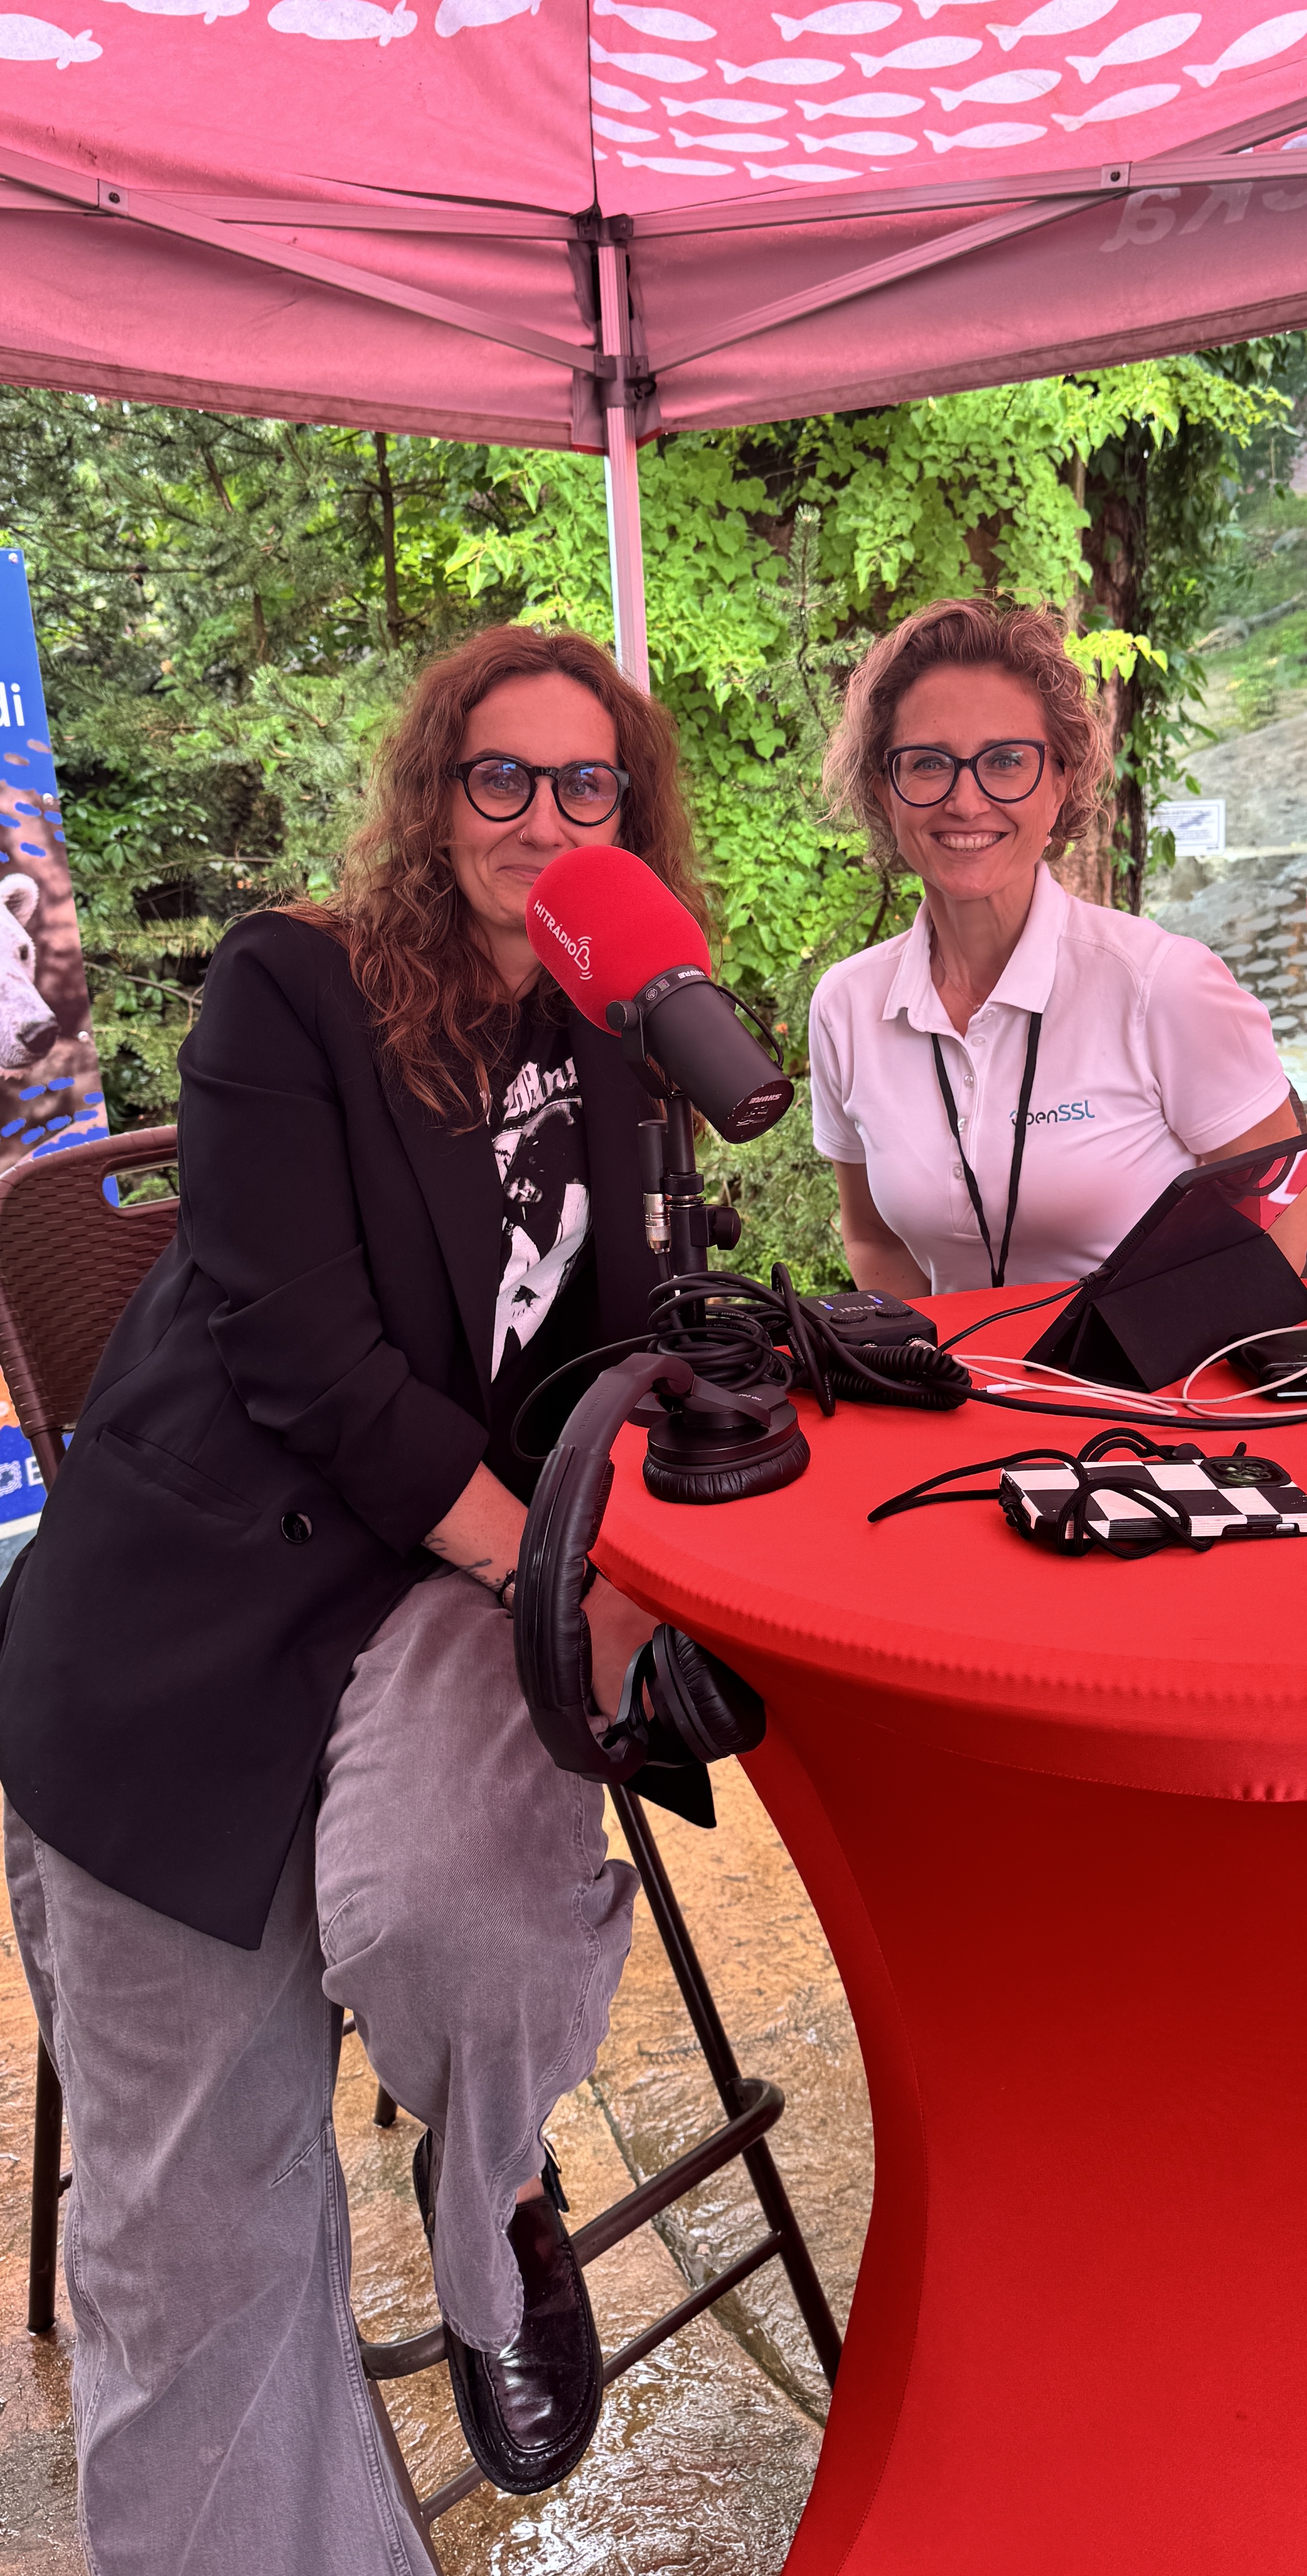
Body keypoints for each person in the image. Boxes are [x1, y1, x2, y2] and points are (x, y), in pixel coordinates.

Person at [0, 624, 707, 2575]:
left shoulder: (614, 1025)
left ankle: (488, 2205)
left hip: (421, 1607)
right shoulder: (288, 987)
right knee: (200, 2250)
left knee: (481, 1932)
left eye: (588, 788)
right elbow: (307, 1359)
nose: (544, 820)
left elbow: (613, 1347)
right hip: (184, 1652)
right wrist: (557, 1578)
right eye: (502, 778)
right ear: (434, 798)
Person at [808, 599, 1307, 1301]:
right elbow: (874, 1239)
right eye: (928, 764)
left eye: (1006, 761)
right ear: (883, 792)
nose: (965, 800)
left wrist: (1172, 1385)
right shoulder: (846, 1005)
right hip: (957, 1399)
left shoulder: (1160, 984)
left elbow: (1279, 1213)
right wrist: (929, 1376)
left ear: (1060, 783)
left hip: (1143, 1399)